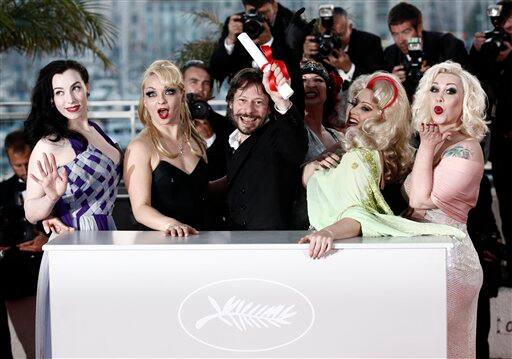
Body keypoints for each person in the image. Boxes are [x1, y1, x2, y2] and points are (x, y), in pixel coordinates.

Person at [300, 71, 465, 257]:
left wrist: (329, 232)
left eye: (365, 109)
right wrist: (310, 168)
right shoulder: (345, 148)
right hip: (349, 251)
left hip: (352, 252)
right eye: (354, 104)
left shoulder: (368, 156)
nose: (353, 112)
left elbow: (358, 215)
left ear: (387, 118)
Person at [23, 59, 122, 358]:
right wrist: (51, 200)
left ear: (87, 88)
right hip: (74, 243)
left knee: (109, 330)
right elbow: (31, 210)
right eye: (60, 92)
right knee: (76, 333)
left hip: (108, 236)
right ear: (51, 99)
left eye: (76, 88)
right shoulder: (48, 145)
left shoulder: (98, 130)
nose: (70, 99)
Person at [404, 61, 488, 358]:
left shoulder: (467, 148)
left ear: (465, 102)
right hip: (424, 259)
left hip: (451, 263)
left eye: (450, 91)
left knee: (445, 349)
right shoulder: (433, 141)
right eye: (434, 89)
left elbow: (419, 201)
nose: (439, 97)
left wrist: (426, 145)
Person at [124, 60, 208, 235]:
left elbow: (198, 190)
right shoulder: (140, 147)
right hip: (161, 245)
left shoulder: (196, 141)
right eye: (151, 94)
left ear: (182, 94)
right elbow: (140, 208)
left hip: (202, 241)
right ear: (145, 101)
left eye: (169, 92)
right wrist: (171, 225)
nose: (161, 100)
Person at [226, 65, 307, 230]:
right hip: (235, 245)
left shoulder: (276, 136)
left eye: (258, 102)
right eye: (242, 100)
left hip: (272, 245)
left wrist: (281, 100)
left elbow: (295, 149)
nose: (249, 110)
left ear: (269, 108)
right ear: (230, 103)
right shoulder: (229, 140)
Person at [470, 0, 512, 287]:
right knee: (508, 210)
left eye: (509, 28)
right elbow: (479, 86)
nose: (506, 33)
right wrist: (479, 53)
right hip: (504, 145)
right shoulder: (497, 55)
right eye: (504, 28)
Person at [209, 0, 306, 111]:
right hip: (243, 106)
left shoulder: (291, 21)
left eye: (261, 6)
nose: (257, 12)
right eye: (252, 10)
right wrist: (230, 39)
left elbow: (294, 66)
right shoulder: (238, 22)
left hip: (281, 104)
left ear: (273, 3)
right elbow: (216, 69)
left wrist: (269, 42)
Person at [0, 131, 46, 359]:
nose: (24, 171)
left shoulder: (52, 186)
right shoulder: (2, 191)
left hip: (46, 270)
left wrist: (47, 241)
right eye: (18, 166)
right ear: (9, 162)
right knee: (28, 344)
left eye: (28, 163)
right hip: (14, 273)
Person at [384, 2, 468, 99]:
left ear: (419, 27)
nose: (400, 40)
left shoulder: (448, 45)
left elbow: (466, 84)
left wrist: (437, 75)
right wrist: (392, 83)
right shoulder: (391, 54)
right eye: (395, 34)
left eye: (406, 32)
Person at [303, 6, 387, 91]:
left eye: (339, 35)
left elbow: (380, 82)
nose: (332, 41)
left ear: (350, 28)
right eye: (328, 36)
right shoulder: (316, 44)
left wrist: (349, 68)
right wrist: (306, 57)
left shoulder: (369, 42)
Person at [181, 59, 231, 181]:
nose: (200, 88)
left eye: (206, 83)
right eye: (194, 82)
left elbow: (223, 172)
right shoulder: (167, 120)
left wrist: (210, 138)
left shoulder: (223, 124)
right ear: (180, 85)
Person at [301, 60, 343, 162]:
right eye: (303, 80)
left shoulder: (338, 136)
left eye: (318, 80)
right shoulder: (291, 133)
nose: (311, 85)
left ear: (328, 90)